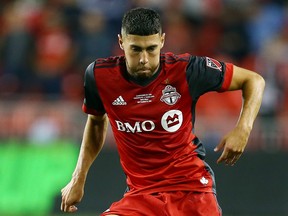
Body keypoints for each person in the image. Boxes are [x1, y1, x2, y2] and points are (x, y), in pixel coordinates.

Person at [60, 7, 265, 216]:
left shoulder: (186, 70)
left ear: (162, 41)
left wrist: (243, 129)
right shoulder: (99, 76)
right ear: (121, 42)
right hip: (140, 195)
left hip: (192, 190)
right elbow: (96, 122)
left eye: (151, 49)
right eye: (135, 49)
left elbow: (254, 80)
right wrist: (78, 177)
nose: (144, 59)